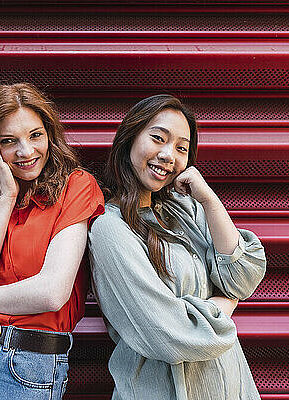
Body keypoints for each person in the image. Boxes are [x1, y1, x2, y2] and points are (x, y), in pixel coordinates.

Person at [87, 94, 266, 400]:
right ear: (129, 138)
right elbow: (167, 334)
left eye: (182, 148)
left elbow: (242, 277)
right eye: (158, 138)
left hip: (228, 385)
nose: (169, 155)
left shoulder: (185, 209)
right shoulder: (109, 228)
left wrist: (209, 200)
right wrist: (222, 306)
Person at [0, 83, 104, 399]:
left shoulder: (77, 187)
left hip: (29, 366)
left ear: (49, 135)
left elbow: (51, 294)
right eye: (8, 141)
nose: (26, 151)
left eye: (35, 135)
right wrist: (6, 198)